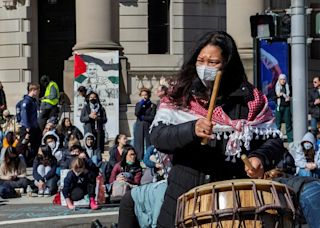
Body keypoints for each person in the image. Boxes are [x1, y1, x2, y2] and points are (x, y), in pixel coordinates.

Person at [118, 31, 286, 228]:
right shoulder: (180, 95)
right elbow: (158, 136)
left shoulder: (249, 98)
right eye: (201, 60)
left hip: (232, 199)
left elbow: (273, 140)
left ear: (228, 63)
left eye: (213, 62)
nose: (206, 67)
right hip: (182, 195)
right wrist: (191, 129)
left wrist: (259, 157)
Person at [19, 83, 41, 164]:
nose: (38, 92)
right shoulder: (27, 101)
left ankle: (32, 161)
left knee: (36, 144)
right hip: (27, 127)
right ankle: (22, 161)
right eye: (38, 90)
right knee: (23, 144)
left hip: (34, 126)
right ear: (33, 90)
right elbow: (24, 115)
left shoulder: (33, 101)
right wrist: (27, 127)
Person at [134, 88, 157, 160]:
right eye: (142, 95)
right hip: (139, 125)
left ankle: (148, 158)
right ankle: (139, 158)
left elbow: (152, 117)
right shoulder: (138, 104)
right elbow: (137, 113)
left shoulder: (152, 105)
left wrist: (143, 117)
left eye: (146, 95)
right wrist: (141, 104)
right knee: (139, 143)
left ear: (149, 95)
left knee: (148, 142)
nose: (144, 96)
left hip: (148, 125)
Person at [275, 73, 293, 143]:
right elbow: (275, 96)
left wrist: (289, 98)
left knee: (288, 124)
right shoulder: (276, 87)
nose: (283, 81)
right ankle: (277, 140)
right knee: (278, 124)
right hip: (279, 107)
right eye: (281, 79)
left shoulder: (288, 87)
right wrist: (280, 94)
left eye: (284, 79)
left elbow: (291, 96)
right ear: (279, 80)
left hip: (287, 107)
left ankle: (290, 140)